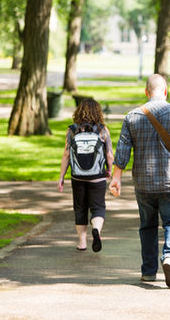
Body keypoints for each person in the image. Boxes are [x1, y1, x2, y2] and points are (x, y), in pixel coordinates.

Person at [109, 74, 170, 288]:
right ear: (165, 91)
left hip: (143, 182)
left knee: (147, 226)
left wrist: (116, 178)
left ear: (146, 92)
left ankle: (148, 272)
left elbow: (122, 150)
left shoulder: (132, 117)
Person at [58, 98, 114, 252]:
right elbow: (109, 154)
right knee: (98, 206)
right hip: (97, 176)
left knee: (80, 207)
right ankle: (96, 229)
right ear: (98, 112)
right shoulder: (103, 130)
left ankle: (82, 243)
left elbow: (66, 155)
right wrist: (109, 170)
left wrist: (61, 177)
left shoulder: (72, 130)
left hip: (78, 176)